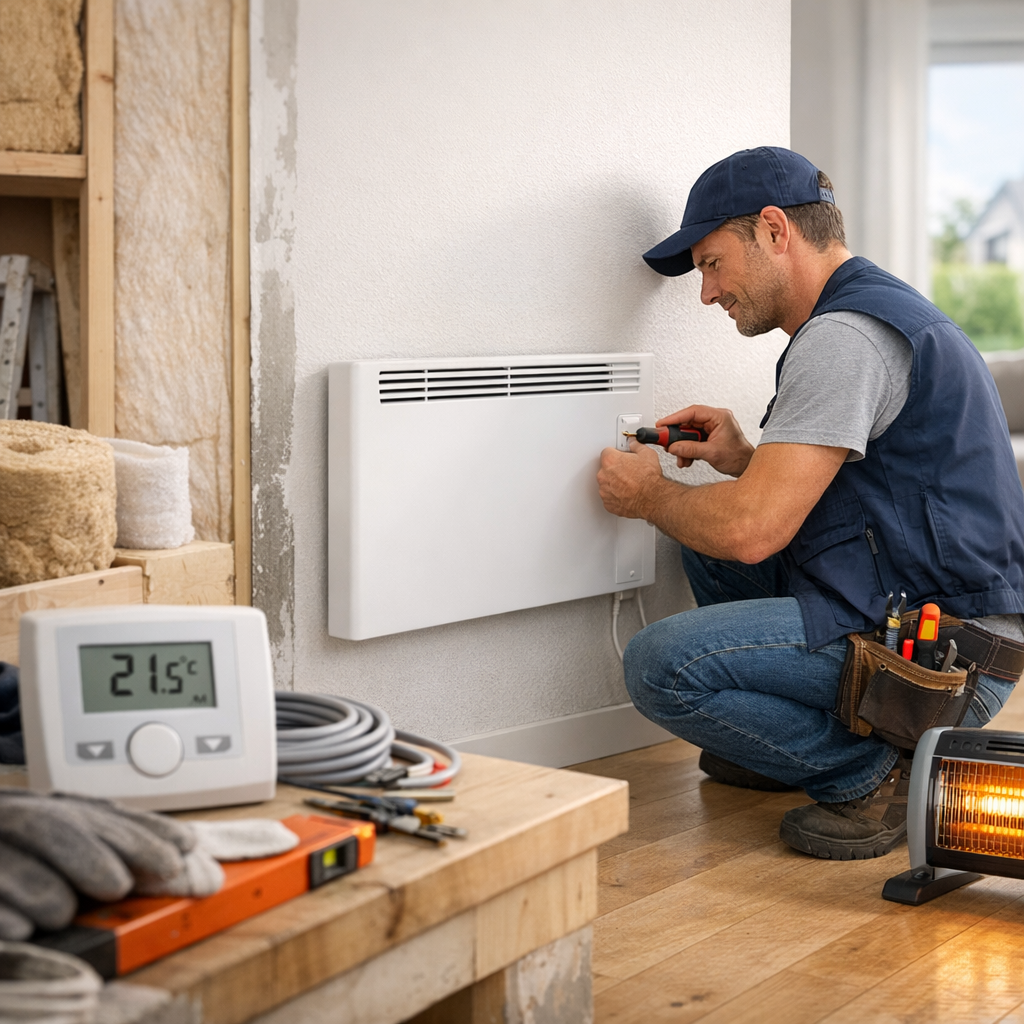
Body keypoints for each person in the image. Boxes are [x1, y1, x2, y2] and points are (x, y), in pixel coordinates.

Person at [597, 146, 1024, 861]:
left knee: (658, 665)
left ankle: (872, 775)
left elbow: (756, 531)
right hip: (924, 608)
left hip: (944, 667)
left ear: (773, 229)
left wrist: (649, 495)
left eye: (711, 263)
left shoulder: (843, 338)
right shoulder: (868, 310)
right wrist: (743, 458)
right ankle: (787, 750)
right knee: (703, 541)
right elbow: (875, 487)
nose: (706, 294)